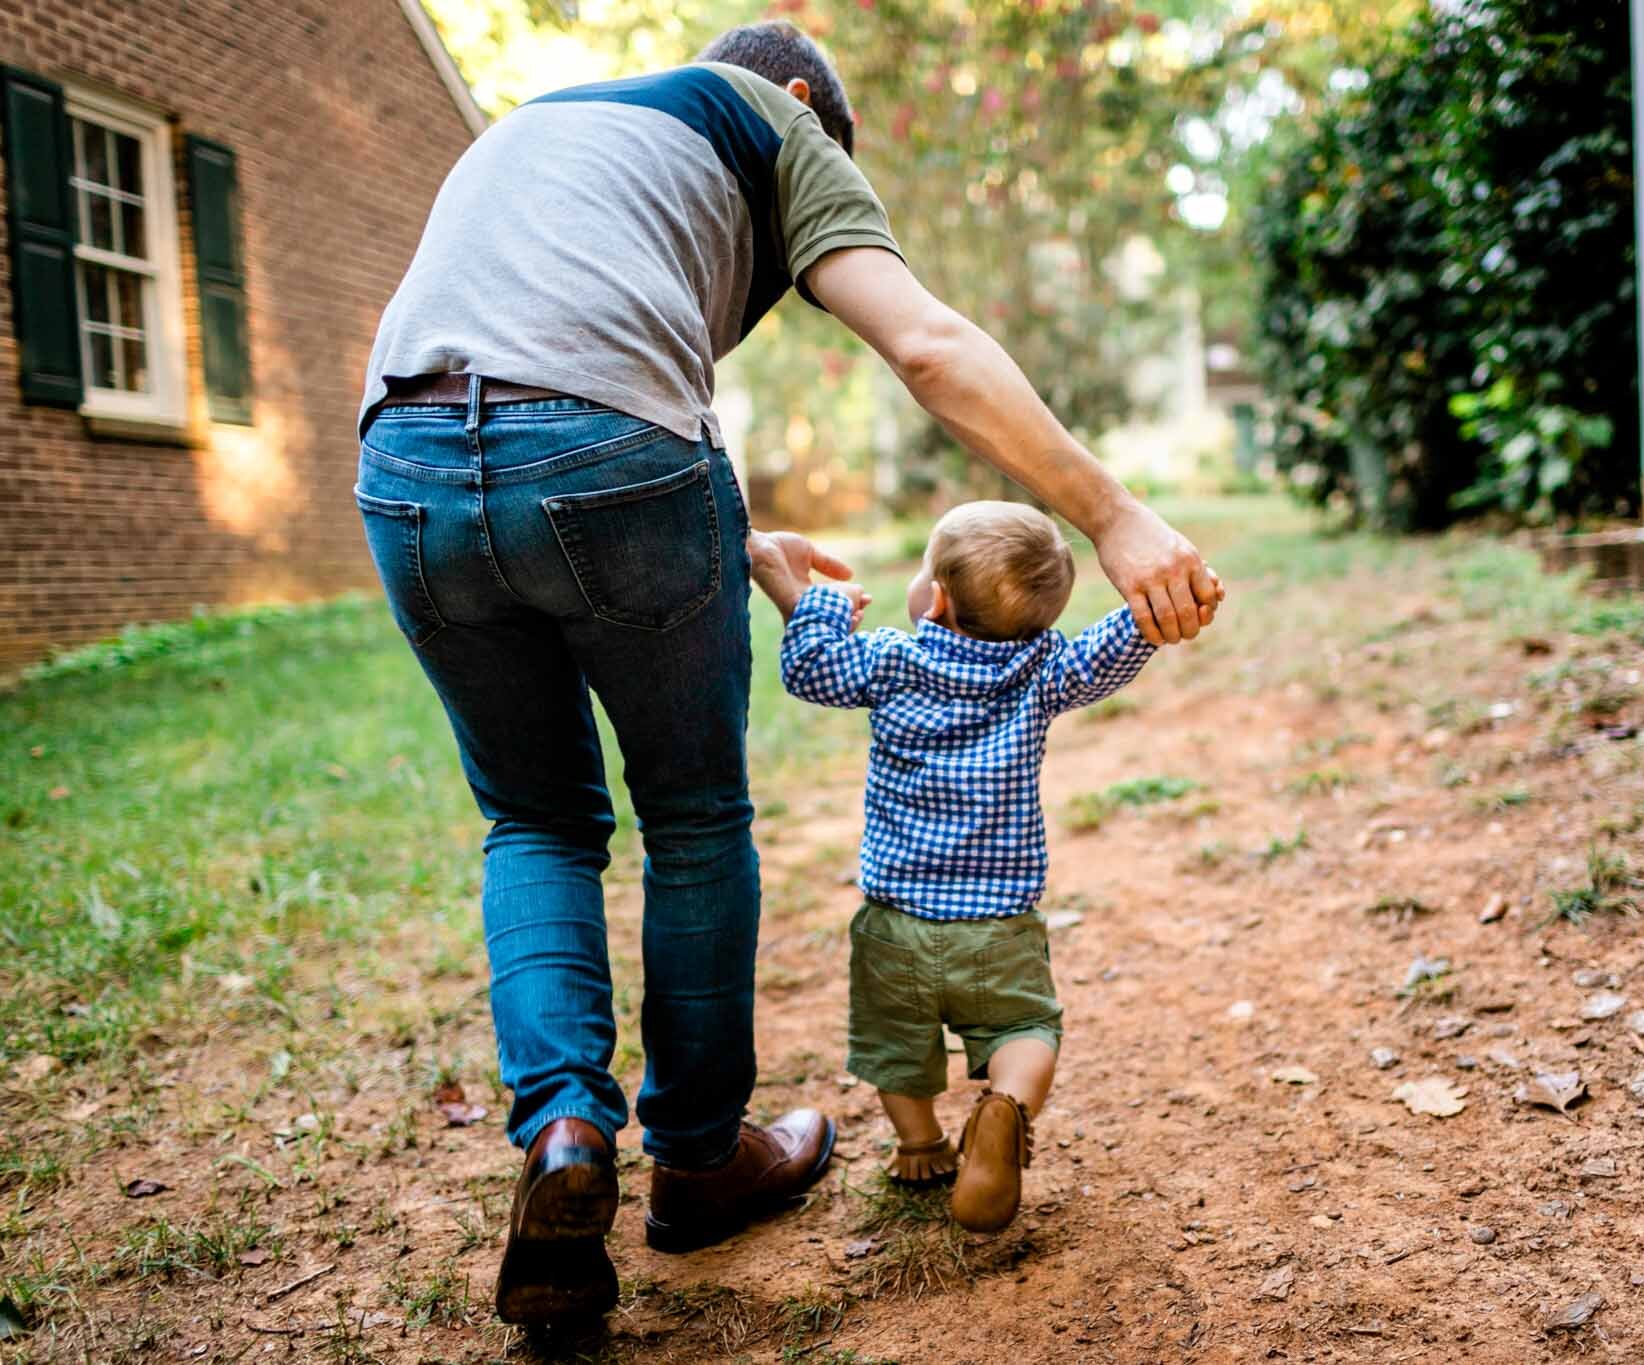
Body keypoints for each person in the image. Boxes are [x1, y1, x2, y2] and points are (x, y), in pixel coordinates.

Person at [354, 20, 1221, 1325]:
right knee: (693, 817)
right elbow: (924, 343)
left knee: (533, 818)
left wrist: (737, 541)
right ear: (807, 100)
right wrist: (1112, 516)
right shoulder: (770, 116)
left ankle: (567, 1136)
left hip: (404, 462)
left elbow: (511, 383)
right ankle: (699, 1161)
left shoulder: (538, 128)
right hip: (618, 456)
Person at [760, 502, 1215, 1232]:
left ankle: (920, 1143)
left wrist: (816, 601)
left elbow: (811, 668)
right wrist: (1161, 602)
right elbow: (1112, 647)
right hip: (999, 928)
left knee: (894, 1045)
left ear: (935, 598)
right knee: (1027, 1030)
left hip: (894, 924)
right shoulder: (1044, 667)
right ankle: (1005, 1107)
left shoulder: (891, 659)